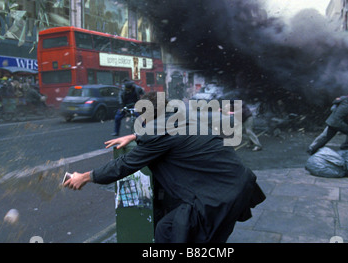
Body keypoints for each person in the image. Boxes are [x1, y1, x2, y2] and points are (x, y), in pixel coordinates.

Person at [64, 92, 266, 243]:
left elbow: (125, 164)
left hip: (218, 195)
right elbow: (170, 134)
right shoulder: (181, 119)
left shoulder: (160, 131)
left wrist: (85, 177)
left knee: (167, 230)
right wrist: (136, 136)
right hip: (239, 185)